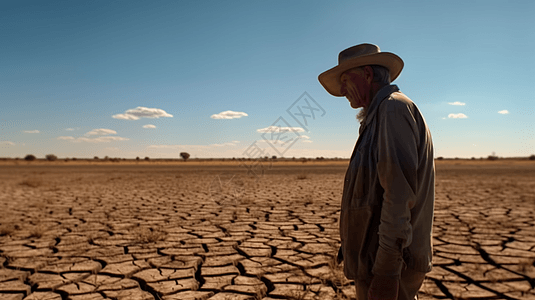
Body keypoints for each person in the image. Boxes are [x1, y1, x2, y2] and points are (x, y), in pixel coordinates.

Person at [318, 43, 435, 300]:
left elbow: (397, 199)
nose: (342, 90)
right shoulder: (378, 115)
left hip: (389, 267)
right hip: (376, 262)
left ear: (368, 75)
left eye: (346, 80)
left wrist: (386, 273)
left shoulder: (392, 110)